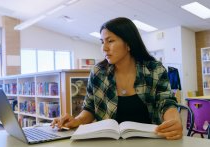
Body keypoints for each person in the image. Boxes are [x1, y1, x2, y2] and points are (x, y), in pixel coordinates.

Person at [51, 17, 183, 140]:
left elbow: (166, 103)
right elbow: (89, 108)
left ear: (128, 43)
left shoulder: (154, 70)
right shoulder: (98, 73)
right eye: (102, 42)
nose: (104, 48)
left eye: (110, 41)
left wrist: (174, 121)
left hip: (150, 141)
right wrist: (77, 120)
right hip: (108, 142)